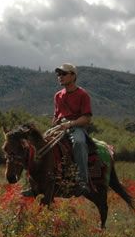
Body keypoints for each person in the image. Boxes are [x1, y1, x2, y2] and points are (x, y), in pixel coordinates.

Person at [23, 63, 92, 197]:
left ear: (73, 76)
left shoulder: (83, 94)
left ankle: (83, 182)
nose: (60, 77)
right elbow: (56, 115)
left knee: (79, 143)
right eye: (58, 74)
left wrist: (70, 124)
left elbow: (86, 118)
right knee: (37, 146)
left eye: (63, 74)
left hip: (76, 128)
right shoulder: (58, 95)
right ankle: (31, 184)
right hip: (59, 128)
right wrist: (54, 124)